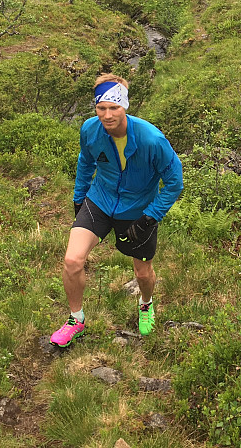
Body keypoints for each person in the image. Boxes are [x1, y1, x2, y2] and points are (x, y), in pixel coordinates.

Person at [50, 74, 184, 347]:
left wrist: (150, 217)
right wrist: (79, 199)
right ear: (95, 108)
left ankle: (146, 304)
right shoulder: (90, 130)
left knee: (143, 274)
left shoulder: (151, 140)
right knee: (73, 261)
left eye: (114, 107)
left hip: (138, 208)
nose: (108, 115)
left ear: (125, 106)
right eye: (102, 108)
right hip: (100, 199)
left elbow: (174, 183)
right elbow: (86, 161)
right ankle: (76, 319)